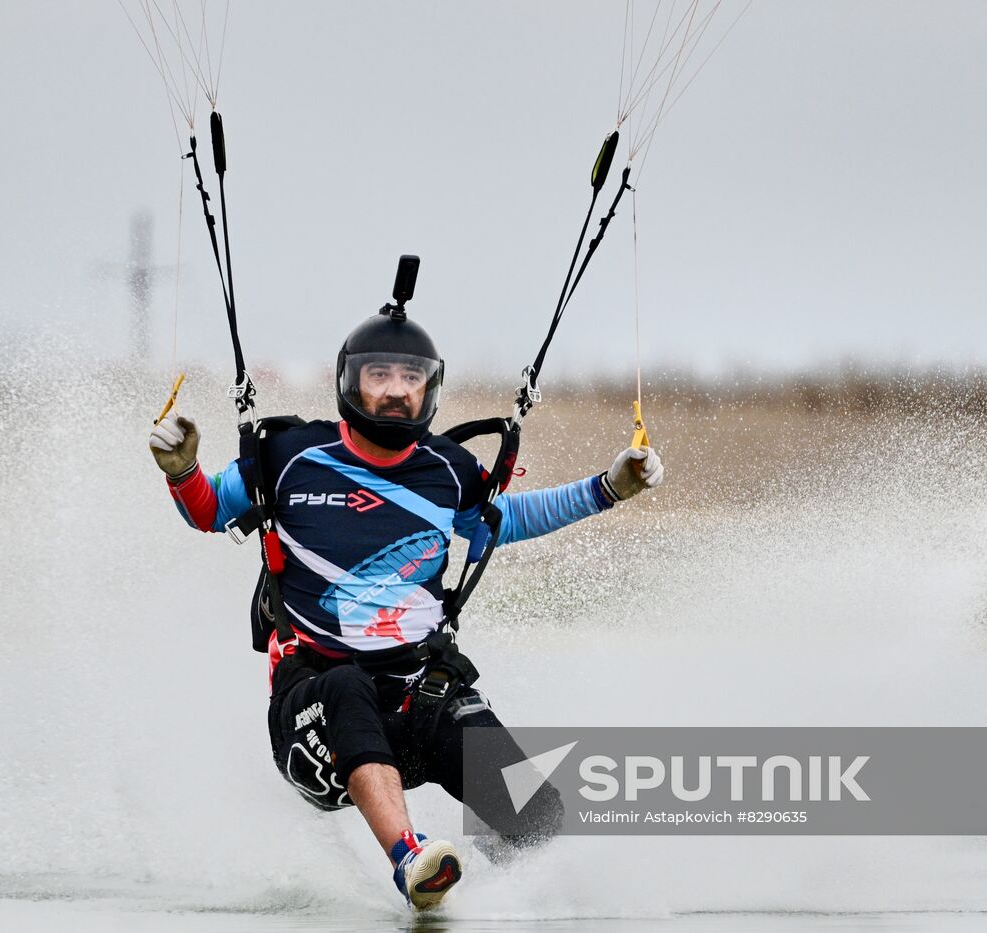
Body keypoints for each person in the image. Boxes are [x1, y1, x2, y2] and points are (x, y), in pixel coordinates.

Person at [148, 307, 663, 910]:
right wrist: (182, 470)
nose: (395, 390)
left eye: (410, 377)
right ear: (350, 382)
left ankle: (528, 889)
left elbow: (508, 521)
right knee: (344, 685)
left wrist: (607, 488)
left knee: (539, 817)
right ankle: (409, 858)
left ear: (430, 388)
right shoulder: (288, 455)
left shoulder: (449, 469)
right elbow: (209, 511)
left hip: (417, 697)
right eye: (380, 374)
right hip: (313, 717)